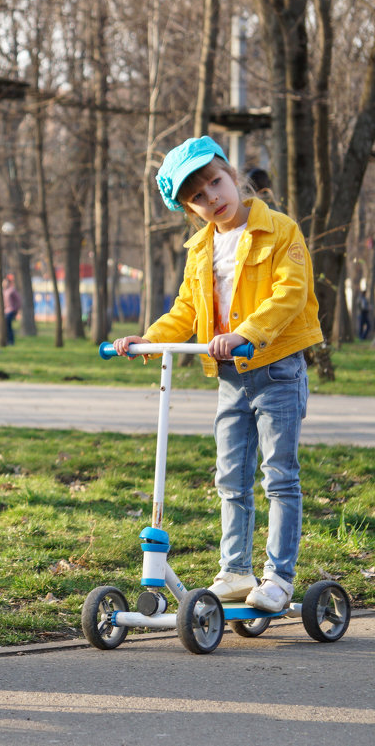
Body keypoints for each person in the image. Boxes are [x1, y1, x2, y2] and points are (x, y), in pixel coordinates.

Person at [114, 136, 322, 613]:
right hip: (231, 377)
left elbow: (290, 294)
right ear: (191, 209)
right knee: (230, 477)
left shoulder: (280, 229)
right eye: (199, 198)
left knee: (279, 477)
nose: (213, 198)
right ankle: (235, 570)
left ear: (232, 175)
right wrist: (148, 338)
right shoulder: (201, 249)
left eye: (216, 183)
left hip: (277, 369)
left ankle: (278, 577)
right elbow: (187, 307)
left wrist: (246, 332)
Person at [1, 275, 21, 346]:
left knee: (8, 325)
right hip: (5, 311)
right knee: (6, 326)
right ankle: (7, 340)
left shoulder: (12, 290)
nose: (4, 284)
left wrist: (15, 309)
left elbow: (18, 300)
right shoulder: (3, 291)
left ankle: (11, 341)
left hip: (11, 311)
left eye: (5, 283)